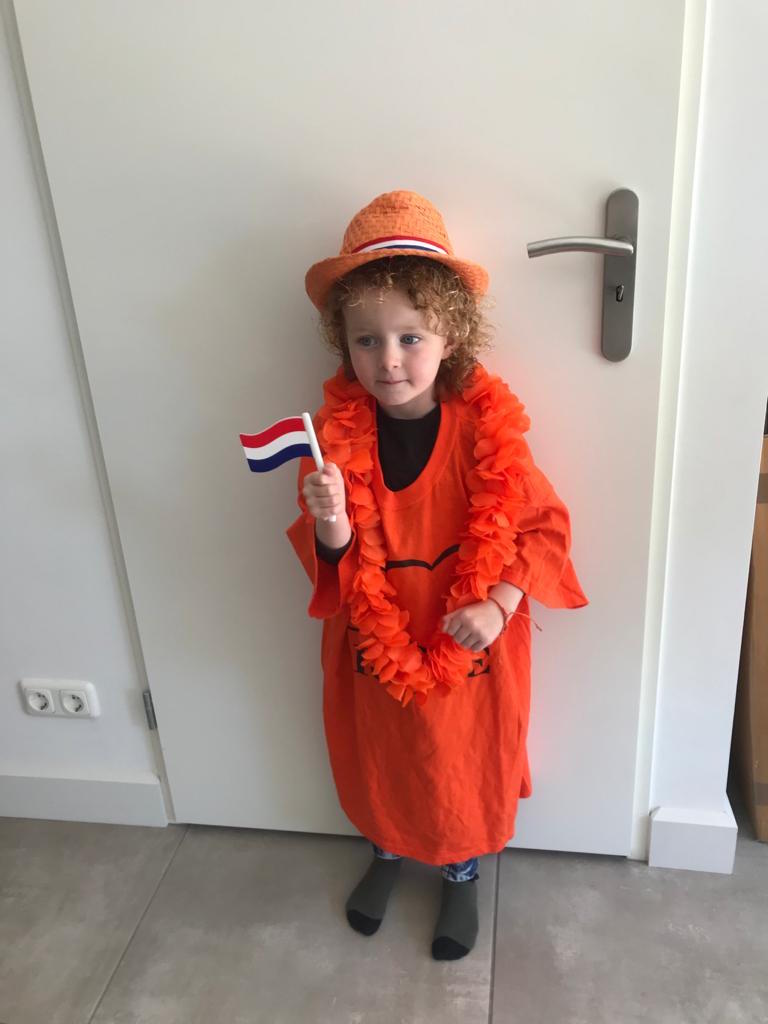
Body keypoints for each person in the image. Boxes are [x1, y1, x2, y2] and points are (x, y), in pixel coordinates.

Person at [286, 190, 588, 961]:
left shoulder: (487, 435)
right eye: (366, 340)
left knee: (459, 764)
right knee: (383, 758)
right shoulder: (334, 442)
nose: (387, 359)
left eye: (409, 337)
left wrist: (500, 604)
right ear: (343, 344)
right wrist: (329, 520)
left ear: (450, 334)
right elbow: (333, 561)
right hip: (376, 644)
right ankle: (387, 853)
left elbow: (543, 527)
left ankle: (460, 875)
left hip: (468, 645)